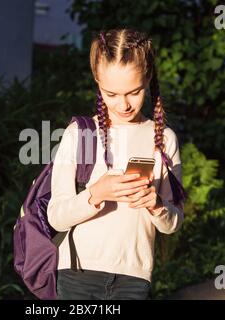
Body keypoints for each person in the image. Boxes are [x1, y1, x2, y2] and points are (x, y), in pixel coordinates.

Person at [46, 28, 187, 300]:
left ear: (147, 78)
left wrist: (156, 204)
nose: (123, 104)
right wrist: (95, 194)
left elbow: (173, 223)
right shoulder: (80, 134)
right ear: (97, 81)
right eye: (111, 94)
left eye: (134, 92)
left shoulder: (164, 140)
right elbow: (56, 217)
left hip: (133, 277)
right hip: (77, 273)